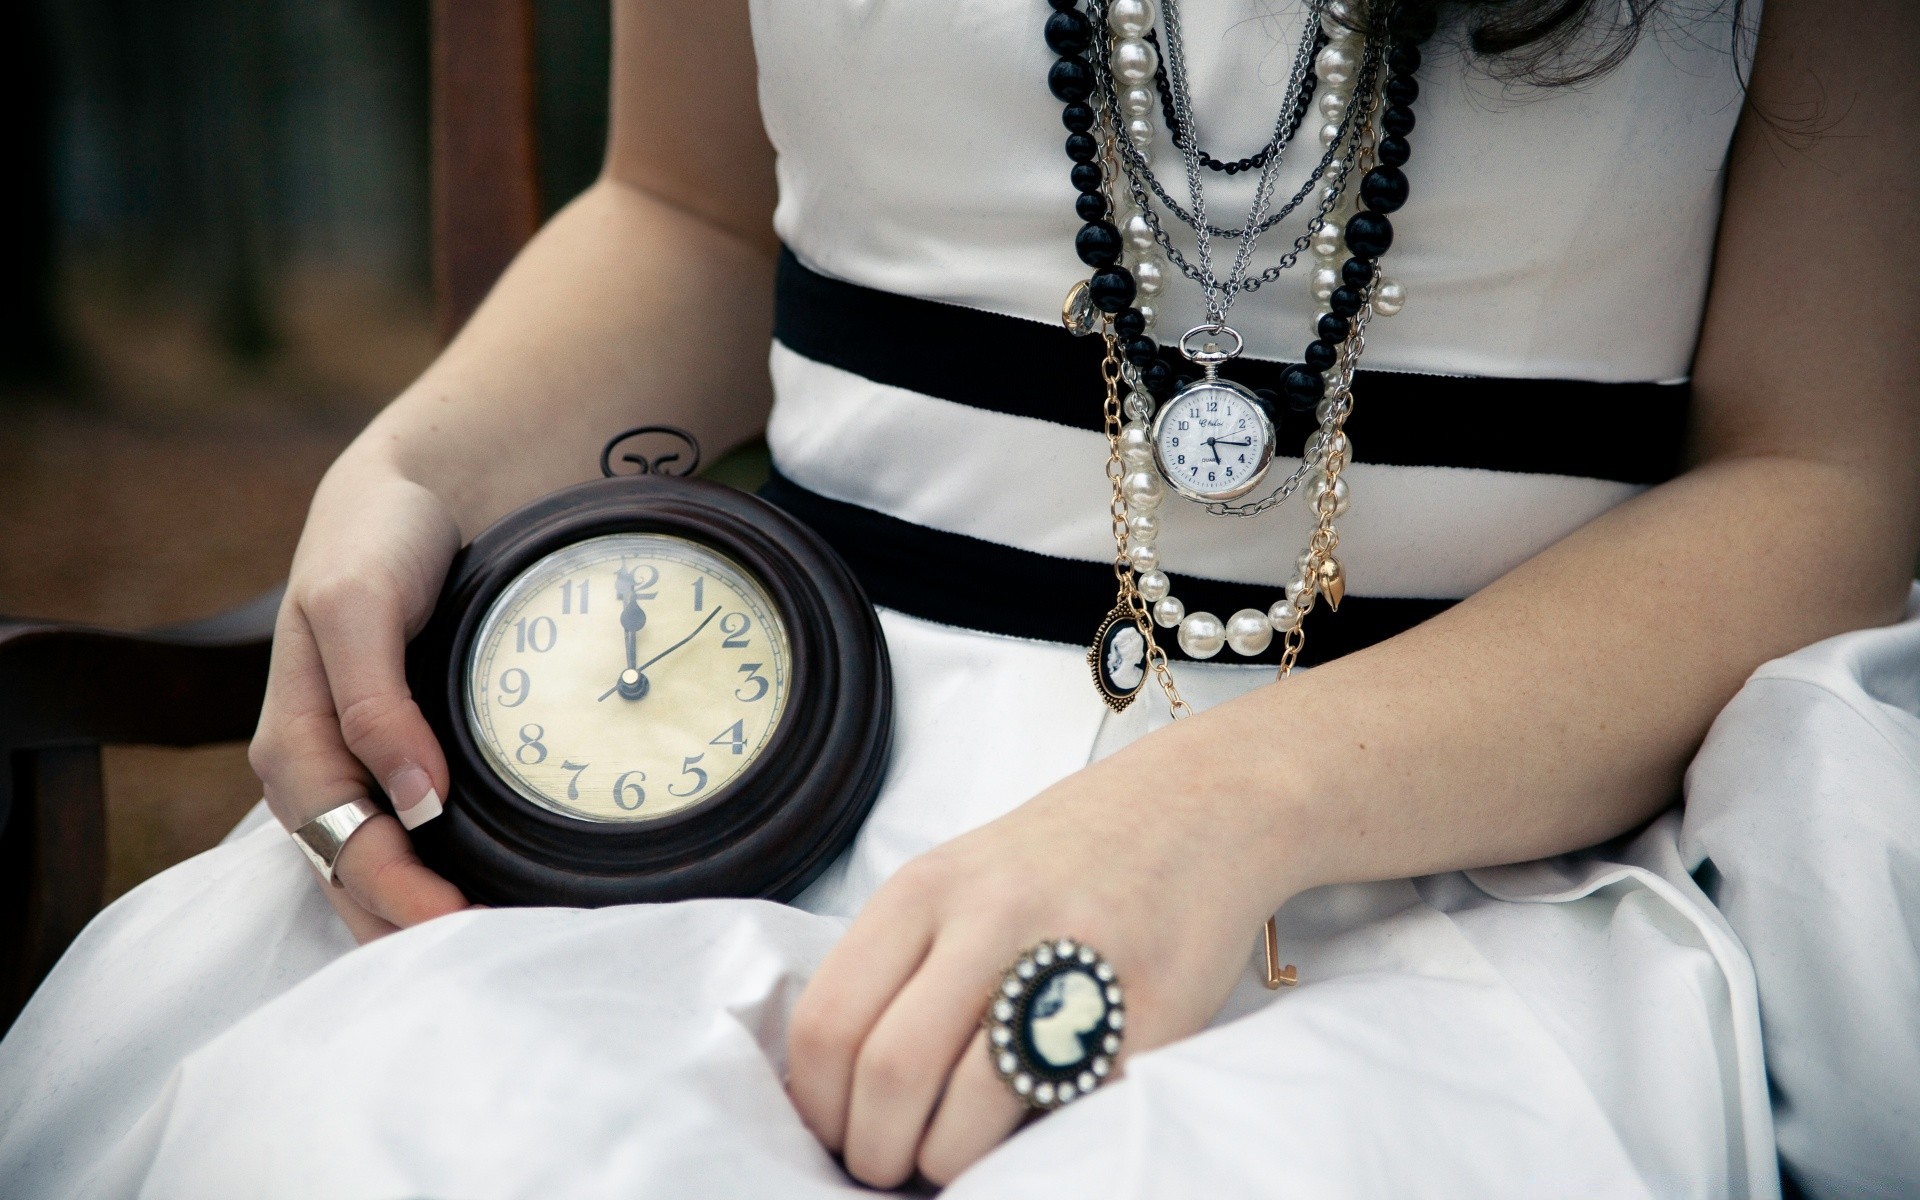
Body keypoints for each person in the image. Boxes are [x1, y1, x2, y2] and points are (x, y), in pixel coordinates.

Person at [2, 0, 1916, 1196]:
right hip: (757, 765)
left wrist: (1223, 807)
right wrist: (412, 468)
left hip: (1477, 843)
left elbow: (1821, 472)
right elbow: (688, 208)